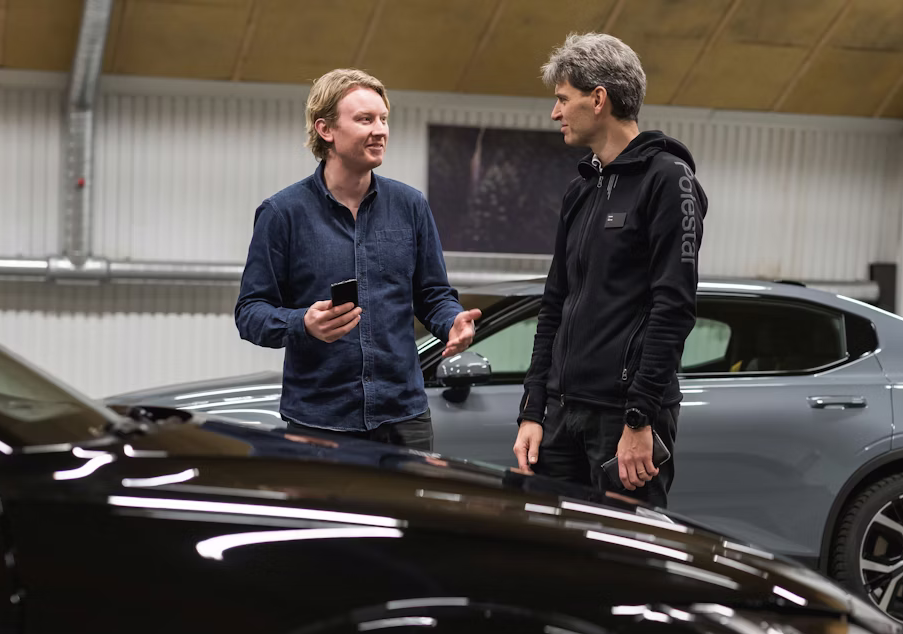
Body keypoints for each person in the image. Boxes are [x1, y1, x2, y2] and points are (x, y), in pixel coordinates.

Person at [235, 68, 481, 451]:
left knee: (410, 514)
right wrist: (302, 323)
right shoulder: (283, 213)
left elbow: (433, 294)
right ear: (326, 129)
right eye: (365, 119)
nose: (380, 130)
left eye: (383, 119)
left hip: (404, 419)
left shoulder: (410, 206)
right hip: (319, 422)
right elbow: (250, 313)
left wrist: (452, 322)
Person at [512, 33, 707, 507]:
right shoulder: (580, 190)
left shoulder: (668, 180)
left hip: (625, 422)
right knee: (554, 563)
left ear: (598, 99)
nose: (555, 113)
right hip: (561, 416)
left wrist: (640, 418)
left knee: (624, 571)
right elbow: (553, 304)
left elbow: (673, 308)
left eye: (562, 99)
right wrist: (533, 409)